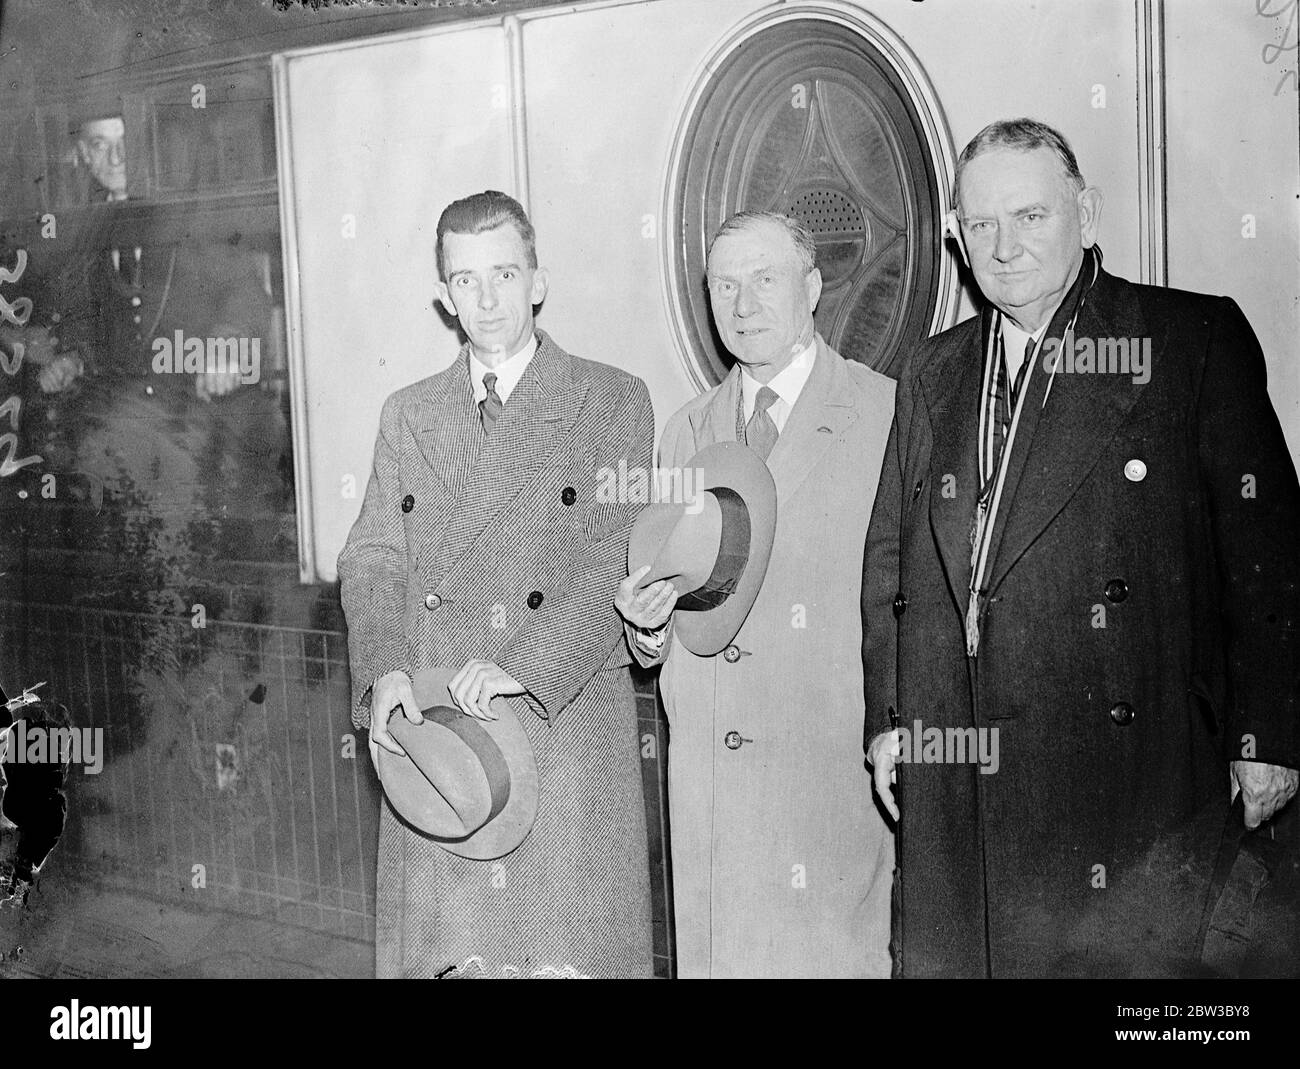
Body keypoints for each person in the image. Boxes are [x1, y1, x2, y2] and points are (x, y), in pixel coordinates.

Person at [863, 118, 1300, 977]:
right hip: (961, 768)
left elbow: (1270, 553)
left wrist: (1269, 733)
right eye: (979, 226)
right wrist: (890, 724)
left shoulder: (1187, 341)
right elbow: (892, 563)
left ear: (1087, 214)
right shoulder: (935, 370)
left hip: (1134, 773)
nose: (1004, 246)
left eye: (1030, 217)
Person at [339, 190, 655, 978]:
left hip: (561, 733)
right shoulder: (409, 413)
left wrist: (525, 663)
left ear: (539, 281)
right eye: (466, 279)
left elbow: (620, 550)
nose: (487, 300)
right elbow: (372, 556)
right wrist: (382, 672)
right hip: (444, 743)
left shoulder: (609, 399)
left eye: (505, 274)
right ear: (444, 295)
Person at [617, 210, 896, 977]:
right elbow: (675, 604)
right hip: (713, 790)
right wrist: (647, 632)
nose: (743, 306)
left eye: (765, 279)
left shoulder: (886, 413)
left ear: (811, 287)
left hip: (826, 782)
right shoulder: (685, 431)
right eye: (725, 286)